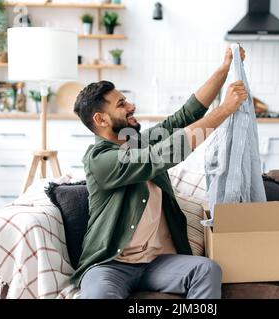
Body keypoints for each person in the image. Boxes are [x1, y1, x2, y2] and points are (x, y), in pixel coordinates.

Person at [72, 46, 247, 299]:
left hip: (155, 264)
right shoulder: (99, 160)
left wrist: (225, 67)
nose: (131, 106)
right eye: (122, 104)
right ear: (101, 120)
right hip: (109, 265)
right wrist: (225, 110)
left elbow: (185, 116)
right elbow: (162, 155)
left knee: (206, 270)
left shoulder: (139, 142)